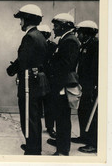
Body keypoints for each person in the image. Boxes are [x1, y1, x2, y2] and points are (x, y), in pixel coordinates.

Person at [7, 4, 47, 155]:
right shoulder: (39, 36)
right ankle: (33, 145)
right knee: (34, 117)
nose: (20, 22)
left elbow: (23, 60)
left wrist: (12, 70)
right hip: (35, 83)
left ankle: (32, 149)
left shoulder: (29, 37)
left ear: (27, 19)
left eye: (21, 19)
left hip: (29, 85)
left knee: (29, 117)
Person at [46, 13, 80, 156]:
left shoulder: (69, 41)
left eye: (56, 26)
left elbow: (65, 65)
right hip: (61, 84)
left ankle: (62, 149)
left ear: (65, 26)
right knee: (61, 117)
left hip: (62, 85)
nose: (54, 29)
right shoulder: (66, 39)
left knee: (62, 118)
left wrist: (51, 67)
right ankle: (61, 142)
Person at [73, 20, 98, 153]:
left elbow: (95, 68)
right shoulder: (84, 45)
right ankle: (84, 136)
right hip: (83, 83)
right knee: (82, 111)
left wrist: (94, 86)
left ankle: (93, 143)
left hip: (91, 85)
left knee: (91, 114)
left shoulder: (96, 45)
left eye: (80, 32)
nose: (78, 35)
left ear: (87, 33)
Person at [37, 24, 57, 139]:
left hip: (49, 79)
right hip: (39, 78)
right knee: (38, 104)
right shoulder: (36, 45)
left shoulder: (53, 46)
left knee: (49, 105)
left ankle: (50, 127)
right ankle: (38, 127)